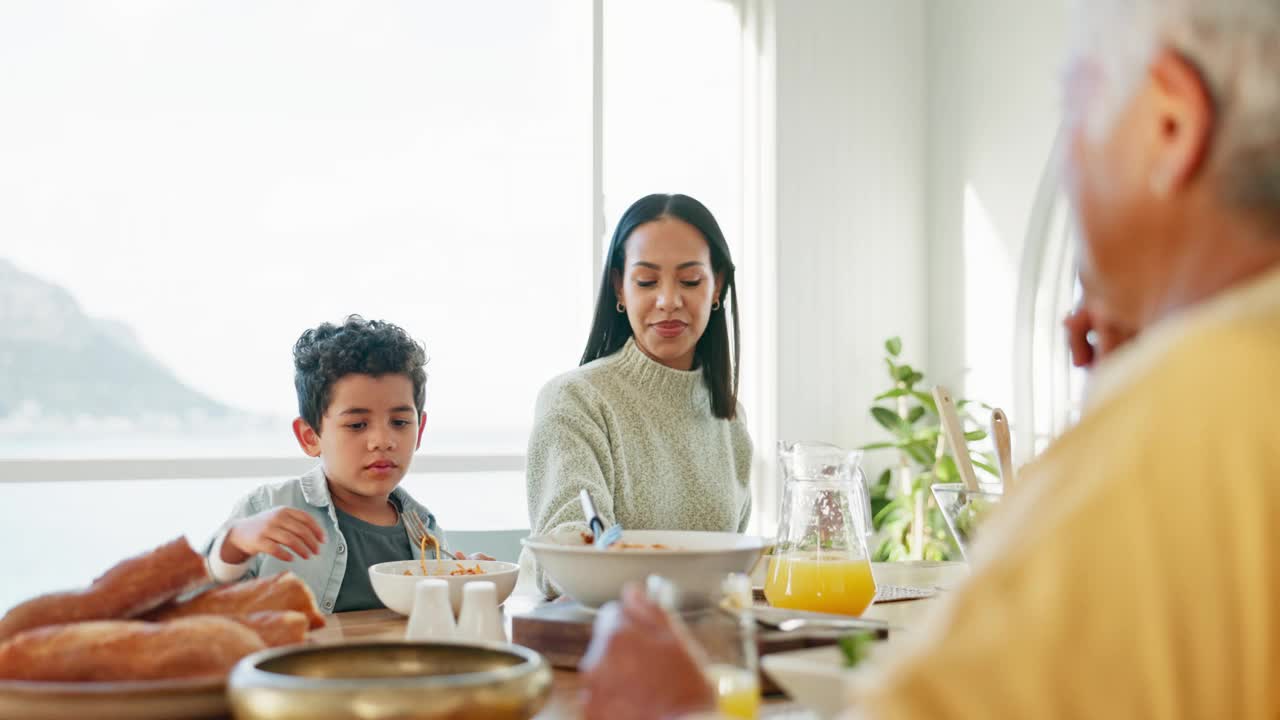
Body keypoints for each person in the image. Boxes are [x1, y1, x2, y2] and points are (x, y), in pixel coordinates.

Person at [579, 1, 1280, 717]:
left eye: (1074, 112)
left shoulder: (1175, 427)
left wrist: (679, 710)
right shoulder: (1226, 391)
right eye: (647, 279)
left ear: (1170, 124)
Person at [525, 193, 752, 596]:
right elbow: (565, 560)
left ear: (717, 286)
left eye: (690, 280)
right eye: (646, 281)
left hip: (705, 642)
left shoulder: (730, 418)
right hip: (601, 644)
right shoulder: (575, 400)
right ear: (620, 287)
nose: (668, 301)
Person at [205, 316, 489, 614]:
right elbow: (198, 605)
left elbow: (431, 620)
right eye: (356, 425)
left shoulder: (424, 528)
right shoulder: (266, 509)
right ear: (310, 437)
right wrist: (234, 546)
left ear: (420, 429)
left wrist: (469, 586)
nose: (382, 440)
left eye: (401, 422)